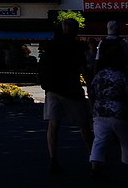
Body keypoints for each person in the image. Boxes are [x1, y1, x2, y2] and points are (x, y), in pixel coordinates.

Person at [39, 18, 93, 174]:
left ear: (63, 28)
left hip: (53, 90)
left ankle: (53, 158)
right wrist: (90, 88)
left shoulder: (51, 45)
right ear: (75, 30)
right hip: (72, 90)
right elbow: (83, 69)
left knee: (53, 124)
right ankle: (94, 156)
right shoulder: (77, 47)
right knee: (83, 124)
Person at [89, 45, 128, 179]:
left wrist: (93, 108)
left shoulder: (99, 75)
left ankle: (95, 165)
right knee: (126, 140)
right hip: (119, 110)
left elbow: (91, 93)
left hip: (100, 110)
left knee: (99, 139)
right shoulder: (122, 75)